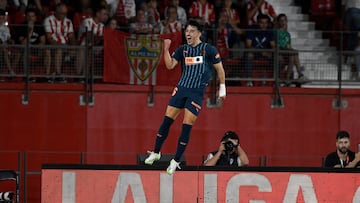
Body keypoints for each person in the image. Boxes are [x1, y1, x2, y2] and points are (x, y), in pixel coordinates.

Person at [144, 20, 226, 175]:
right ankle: (156, 152)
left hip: (196, 93)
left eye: (192, 31)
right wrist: (166, 49)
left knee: (186, 125)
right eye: (187, 31)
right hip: (181, 89)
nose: (188, 34)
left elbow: (220, 70)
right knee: (166, 121)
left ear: (200, 33)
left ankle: (176, 160)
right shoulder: (183, 50)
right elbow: (170, 65)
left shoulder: (209, 50)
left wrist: (222, 89)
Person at [43, 3, 76, 83]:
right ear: (56, 12)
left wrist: (73, 47)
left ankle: (78, 78)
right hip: (53, 46)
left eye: (65, 13)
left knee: (78, 51)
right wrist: (59, 45)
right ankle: (58, 74)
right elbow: (49, 38)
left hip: (66, 46)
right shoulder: (48, 20)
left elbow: (71, 37)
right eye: (62, 13)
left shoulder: (68, 22)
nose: (64, 15)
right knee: (58, 50)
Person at [75, 6, 108, 82]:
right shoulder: (87, 21)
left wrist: (98, 38)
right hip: (82, 46)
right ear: (97, 14)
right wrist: (99, 37)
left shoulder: (102, 26)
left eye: (106, 14)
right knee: (87, 50)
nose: (106, 16)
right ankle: (79, 76)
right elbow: (89, 36)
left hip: (95, 48)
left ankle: (87, 76)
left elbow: (102, 39)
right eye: (104, 14)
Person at [244, 14, 275, 86]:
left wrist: (269, 52)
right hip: (254, 52)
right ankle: (249, 80)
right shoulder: (252, 30)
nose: (264, 25)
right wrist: (261, 52)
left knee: (278, 57)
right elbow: (249, 45)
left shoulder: (269, 32)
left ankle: (276, 80)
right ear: (257, 23)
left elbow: (274, 46)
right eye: (262, 23)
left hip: (265, 52)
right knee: (249, 54)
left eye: (266, 23)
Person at [277, 13, 307, 84]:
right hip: (279, 51)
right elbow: (278, 45)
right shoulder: (277, 32)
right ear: (278, 22)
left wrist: (291, 49)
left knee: (293, 57)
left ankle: (288, 79)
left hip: (286, 52)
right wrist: (289, 49)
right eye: (281, 21)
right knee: (294, 53)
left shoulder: (287, 34)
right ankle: (300, 74)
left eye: (284, 20)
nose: (283, 22)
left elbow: (289, 46)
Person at [0, 8, 15, 79]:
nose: (1, 20)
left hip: (5, 47)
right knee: (4, 51)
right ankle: (10, 71)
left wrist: (11, 41)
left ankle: (11, 72)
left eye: (2, 18)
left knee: (18, 52)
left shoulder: (6, 28)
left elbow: (8, 38)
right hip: (2, 48)